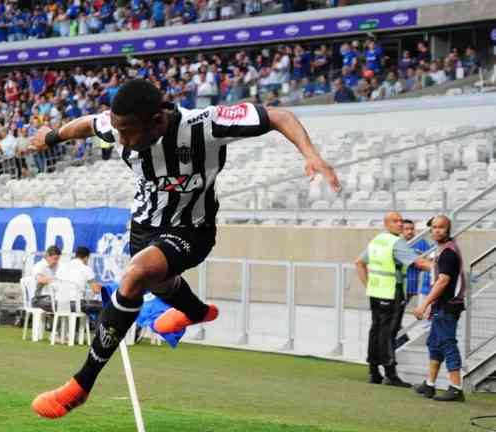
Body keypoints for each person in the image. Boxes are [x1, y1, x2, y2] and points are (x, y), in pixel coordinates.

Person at [29, 78, 341, 419]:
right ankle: (194, 311)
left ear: (157, 121)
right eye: (118, 131)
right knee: (158, 282)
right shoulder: (118, 126)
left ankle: (81, 385)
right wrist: (51, 137)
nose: (121, 140)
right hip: (144, 227)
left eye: (129, 132)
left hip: (193, 230)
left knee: (135, 276)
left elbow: (280, 116)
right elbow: (88, 124)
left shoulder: (206, 124)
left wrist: (312, 155)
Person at [355, 212, 432, 387]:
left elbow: (358, 262)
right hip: (391, 293)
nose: (400, 224)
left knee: (376, 331)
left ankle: (374, 372)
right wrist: (442, 269)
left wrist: (369, 285)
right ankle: (390, 374)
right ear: (386, 224)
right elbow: (419, 263)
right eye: (395, 221)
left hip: (376, 293)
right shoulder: (396, 242)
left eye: (400, 221)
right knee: (389, 333)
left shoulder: (377, 240)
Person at [413, 216, 466, 402]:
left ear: (448, 229)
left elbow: (443, 281)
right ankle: (430, 384)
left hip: (449, 306)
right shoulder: (442, 249)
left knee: (447, 343)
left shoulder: (448, 252)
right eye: (434, 227)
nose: (437, 230)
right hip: (442, 305)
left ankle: (456, 387)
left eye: (441, 227)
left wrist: (424, 304)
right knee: (434, 343)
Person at [57, 246, 103, 315]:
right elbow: (96, 290)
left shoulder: (62, 266)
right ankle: (96, 325)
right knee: (103, 306)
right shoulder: (86, 268)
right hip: (75, 305)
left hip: (59, 304)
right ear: (86, 258)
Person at [402, 219, 431, 299]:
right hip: (400, 285)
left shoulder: (420, 242)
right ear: (401, 230)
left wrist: (421, 254)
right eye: (407, 229)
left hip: (413, 286)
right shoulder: (398, 243)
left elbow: (431, 257)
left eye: (412, 229)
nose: (410, 231)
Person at [31, 246, 63, 313]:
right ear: (48, 256)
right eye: (55, 259)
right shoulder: (39, 265)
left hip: (52, 298)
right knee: (60, 305)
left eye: (58, 259)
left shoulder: (57, 266)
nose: (56, 261)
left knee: (66, 304)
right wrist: (55, 280)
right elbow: (40, 279)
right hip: (38, 299)